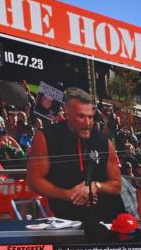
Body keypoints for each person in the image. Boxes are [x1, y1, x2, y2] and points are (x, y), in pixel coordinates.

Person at [26, 87, 125, 221]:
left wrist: (95, 186)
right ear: (67, 112)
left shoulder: (104, 142)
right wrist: (68, 194)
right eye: (81, 116)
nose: (87, 122)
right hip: (66, 223)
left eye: (90, 117)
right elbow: (34, 181)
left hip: (108, 221)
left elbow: (117, 185)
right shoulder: (45, 137)